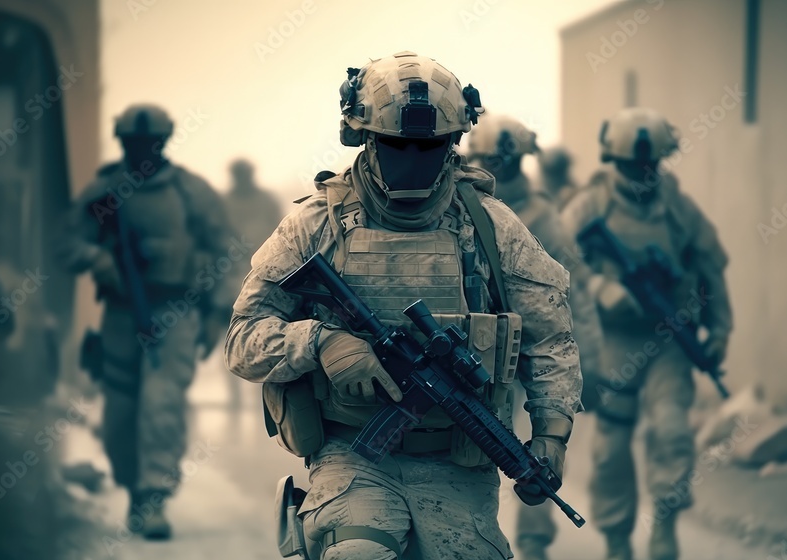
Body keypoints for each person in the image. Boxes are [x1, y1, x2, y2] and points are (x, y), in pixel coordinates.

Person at [225, 51, 583, 560]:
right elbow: (242, 341)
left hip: (459, 463)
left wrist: (551, 435)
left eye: (429, 146)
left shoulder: (491, 228)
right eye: (397, 144)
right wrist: (320, 342)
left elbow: (550, 339)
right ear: (364, 139)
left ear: (453, 143)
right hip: (351, 455)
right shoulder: (314, 225)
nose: (413, 158)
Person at [561, 108, 733, 560]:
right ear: (612, 162)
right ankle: (618, 539)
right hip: (613, 342)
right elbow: (553, 264)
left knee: (672, 433)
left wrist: (718, 332)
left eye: (649, 164)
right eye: (631, 164)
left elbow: (711, 270)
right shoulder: (589, 207)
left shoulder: (678, 208)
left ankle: (665, 525)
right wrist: (601, 287)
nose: (641, 172)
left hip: (669, 341)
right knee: (612, 447)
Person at [58, 103, 232, 540]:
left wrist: (216, 313)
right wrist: (99, 258)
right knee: (120, 414)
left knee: (161, 404)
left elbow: (225, 254)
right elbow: (66, 243)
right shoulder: (104, 191)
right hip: (119, 314)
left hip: (176, 311)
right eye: (134, 144)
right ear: (123, 144)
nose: (143, 151)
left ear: (164, 142)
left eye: (150, 143)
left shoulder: (191, 193)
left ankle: (153, 494)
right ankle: (135, 488)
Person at [466, 115, 604, 560]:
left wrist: (590, 362)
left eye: (502, 161)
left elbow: (571, 296)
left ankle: (533, 543)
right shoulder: (461, 205)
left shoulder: (544, 219)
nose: (496, 168)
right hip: (473, 355)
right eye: (487, 160)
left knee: (536, 455)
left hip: (529, 357)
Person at [219, 158, 284, 409]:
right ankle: (234, 395)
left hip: (265, 277)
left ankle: (262, 397)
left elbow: (279, 235)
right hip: (230, 277)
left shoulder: (266, 201)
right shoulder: (223, 204)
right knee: (232, 335)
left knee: (265, 334)